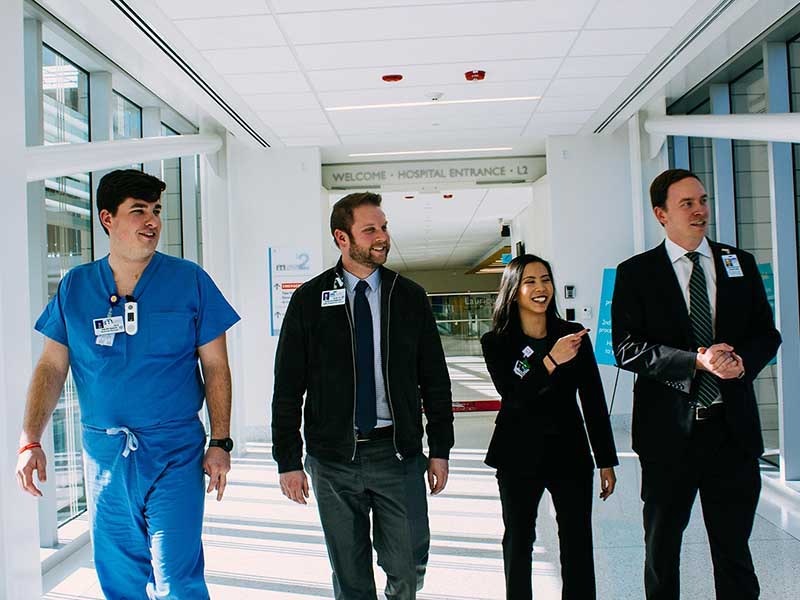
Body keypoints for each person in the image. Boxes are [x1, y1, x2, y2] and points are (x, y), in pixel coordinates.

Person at [15, 169, 240, 599]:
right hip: (104, 458)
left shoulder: (189, 280)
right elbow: (50, 366)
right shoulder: (75, 287)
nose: (152, 221)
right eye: (138, 211)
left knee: (178, 578)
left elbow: (216, 367)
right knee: (119, 579)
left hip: (174, 450)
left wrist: (221, 441)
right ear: (107, 219)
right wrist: (31, 440)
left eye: (156, 211)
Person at [271, 191, 454, 600]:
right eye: (370, 229)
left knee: (408, 565)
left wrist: (439, 447)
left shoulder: (409, 298)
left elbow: (435, 380)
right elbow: (287, 388)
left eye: (384, 227)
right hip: (333, 459)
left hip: (398, 453)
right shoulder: (309, 301)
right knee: (351, 576)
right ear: (342, 237)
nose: (382, 237)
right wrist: (288, 459)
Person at [612, 168, 781, 600]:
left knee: (734, 549)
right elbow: (627, 348)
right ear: (661, 214)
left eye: (703, 200)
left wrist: (740, 363)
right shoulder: (636, 274)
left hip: (732, 431)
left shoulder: (737, 263)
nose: (700, 210)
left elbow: (767, 333)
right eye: (687, 203)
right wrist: (696, 362)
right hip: (669, 435)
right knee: (662, 546)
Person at [481, 254, 618, 600]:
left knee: (576, 540)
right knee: (518, 539)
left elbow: (593, 400)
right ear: (513, 291)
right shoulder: (497, 342)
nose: (541, 288)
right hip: (517, 454)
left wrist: (606, 459)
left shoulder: (572, 335)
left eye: (545, 279)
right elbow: (513, 394)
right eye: (530, 281)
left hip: (569, 452)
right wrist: (551, 360)